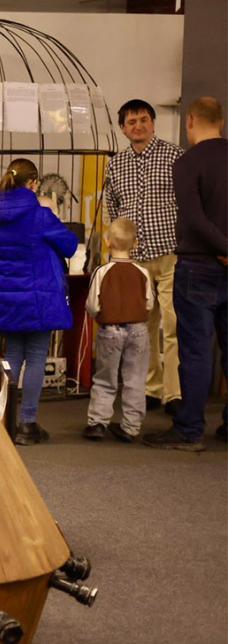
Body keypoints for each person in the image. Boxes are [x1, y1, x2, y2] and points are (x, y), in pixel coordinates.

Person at [143, 96, 227, 452]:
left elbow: (194, 219)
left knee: (195, 350)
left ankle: (190, 429)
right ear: (220, 121)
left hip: (199, 266)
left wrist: (224, 248)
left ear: (190, 120)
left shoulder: (187, 162)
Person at [0, 158, 79, 446]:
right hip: (39, 296)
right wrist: (52, 213)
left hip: (7, 295)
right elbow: (70, 245)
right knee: (36, 356)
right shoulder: (40, 215)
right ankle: (28, 423)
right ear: (34, 184)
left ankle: (6, 420)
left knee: (13, 355)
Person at [104, 99, 184, 416]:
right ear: (123, 129)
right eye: (132, 122)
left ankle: (174, 394)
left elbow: (187, 202)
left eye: (144, 120)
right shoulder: (116, 164)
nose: (138, 126)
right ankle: (151, 388)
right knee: (142, 327)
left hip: (169, 254)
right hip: (135, 261)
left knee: (173, 325)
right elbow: (113, 208)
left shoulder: (175, 156)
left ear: (153, 123)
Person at [83, 218, 153, 442]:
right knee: (135, 379)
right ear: (135, 243)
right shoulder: (143, 272)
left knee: (105, 377)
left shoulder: (102, 272)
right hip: (139, 330)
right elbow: (149, 304)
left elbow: (92, 305)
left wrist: (99, 316)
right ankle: (131, 427)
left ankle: (98, 423)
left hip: (110, 330)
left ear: (107, 242)